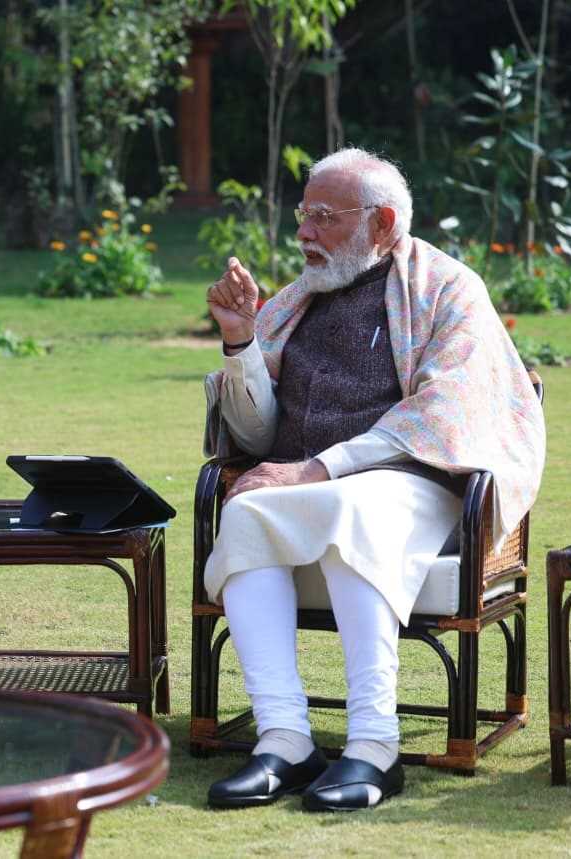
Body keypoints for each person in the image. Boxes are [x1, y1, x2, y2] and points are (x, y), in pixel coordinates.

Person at [200, 149, 544, 812]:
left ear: (382, 222)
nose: (303, 233)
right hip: (314, 486)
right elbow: (252, 438)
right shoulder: (299, 299)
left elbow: (442, 413)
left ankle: (374, 749)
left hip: (414, 479)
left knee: (356, 506)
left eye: (324, 218)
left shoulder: (448, 289)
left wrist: (318, 466)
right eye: (304, 215)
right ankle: (286, 738)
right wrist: (242, 341)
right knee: (241, 512)